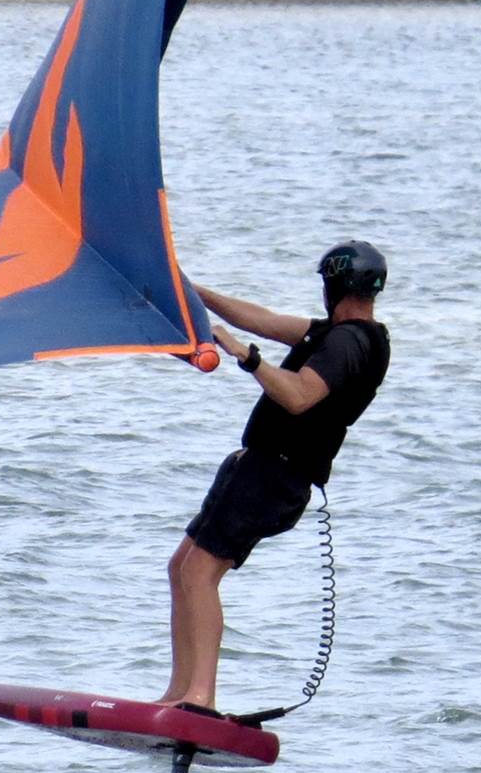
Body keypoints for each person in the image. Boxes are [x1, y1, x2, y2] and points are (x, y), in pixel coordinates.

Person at [159, 241, 391, 713]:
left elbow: (300, 396)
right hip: (258, 467)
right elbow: (261, 319)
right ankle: (178, 694)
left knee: (199, 574)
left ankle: (200, 698)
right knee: (181, 568)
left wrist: (248, 358)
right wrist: (190, 290)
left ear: (332, 287)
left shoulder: (349, 344)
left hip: (275, 476)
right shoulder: (335, 334)